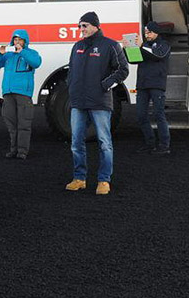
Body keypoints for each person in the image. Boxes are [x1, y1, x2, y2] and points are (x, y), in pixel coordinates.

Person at [65, 12, 129, 195]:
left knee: (104, 143)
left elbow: (123, 70)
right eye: (79, 26)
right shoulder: (77, 46)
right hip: (78, 102)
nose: (81, 29)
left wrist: (106, 84)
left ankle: (104, 180)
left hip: (100, 102)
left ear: (95, 26)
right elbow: (71, 70)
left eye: (84, 25)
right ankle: (79, 178)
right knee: (76, 142)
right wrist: (71, 86)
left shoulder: (110, 45)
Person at [0, 29, 42, 159]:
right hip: (8, 94)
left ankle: (22, 151)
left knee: (24, 124)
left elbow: (36, 63)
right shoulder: (8, 55)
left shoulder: (31, 53)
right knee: (11, 124)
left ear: (25, 41)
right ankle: (13, 150)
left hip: (23, 94)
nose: (17, 42)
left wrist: (22, 52)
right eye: (15, 39)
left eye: (20, 40)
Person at [127, 22, 171, 154]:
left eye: (149, 32)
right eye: (145, 32)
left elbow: (158, 55)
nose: (147, 35)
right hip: (142, 85)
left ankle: (164, 146)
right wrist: (128, 48)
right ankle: (150, 143)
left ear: (157, 32)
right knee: (141, 116)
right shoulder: (144, 46)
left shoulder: (164, 45)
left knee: (159, 115)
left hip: (157, 85)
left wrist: (141, 46)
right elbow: (133, 60)